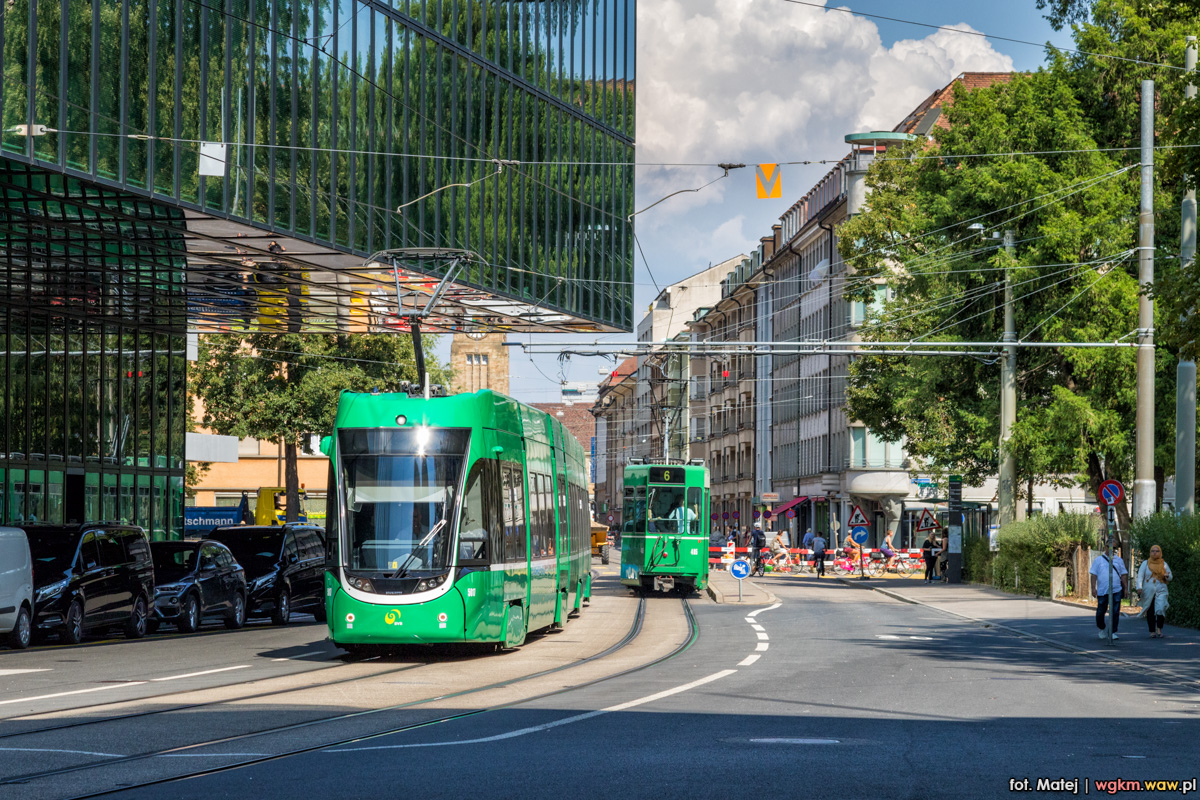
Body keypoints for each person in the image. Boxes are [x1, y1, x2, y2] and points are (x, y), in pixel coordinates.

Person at [1089, 546, 1129, 640]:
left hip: (1116, 589)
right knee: (1100, 611)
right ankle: (1102, 628)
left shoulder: (1119, 560)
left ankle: (1112, 631)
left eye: (1113, 547)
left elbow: (1123, 574)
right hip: (1103, 590)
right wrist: (1093, 588)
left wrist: (1126, 588)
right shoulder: (1098, 560)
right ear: (1105, 547)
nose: (1111, 548)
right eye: (1109, 546)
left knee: (1115, 611)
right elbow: (1093, 574)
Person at [1134, 544, 1172, 638]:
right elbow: (1140, 576)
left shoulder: (1164, 564)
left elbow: (1170, 577)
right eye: (1153, 551)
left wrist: (1167, 576)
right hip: (1149, 590)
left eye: (1157, 551)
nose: (1155, 553)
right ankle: (1152, 631)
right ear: (1150, 552)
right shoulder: (1145, 563)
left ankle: (1159, 628)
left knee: (1160, 609)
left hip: (1161, 589)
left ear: (1160, 552)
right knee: (1150, 610)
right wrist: (1139, 587)